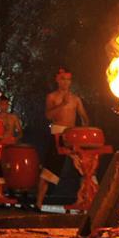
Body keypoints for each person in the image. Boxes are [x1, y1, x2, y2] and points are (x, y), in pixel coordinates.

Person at [35, 67, 89, 211]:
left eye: (68, 79)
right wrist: (62, 104)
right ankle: (38, 203)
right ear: (57, 80)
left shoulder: (76, 99)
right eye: (63, 79)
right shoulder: (52, 97)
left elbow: (84, 117)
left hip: (73, 136)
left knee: (84, 167)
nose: (65, 82)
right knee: (49, 169)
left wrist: (85, 132)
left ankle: (84, 200)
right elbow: (48, 116)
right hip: (57, 134)